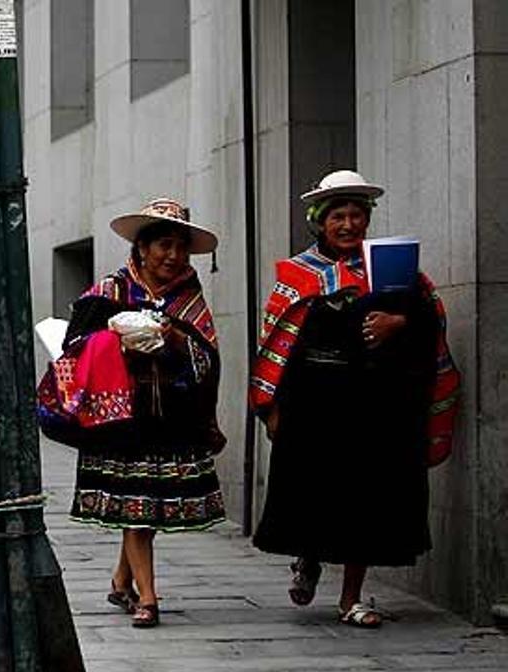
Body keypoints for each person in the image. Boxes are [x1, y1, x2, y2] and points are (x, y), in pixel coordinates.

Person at [250, 170, 460, 629]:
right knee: (314, 495)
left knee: (363, 502)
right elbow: (279, 344)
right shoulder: (297, 274)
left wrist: (399, 323)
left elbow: (430, 321)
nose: (348, 225)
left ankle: (351, 598)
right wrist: (272, 406)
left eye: (357, 215)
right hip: (314, 406)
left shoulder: (393, 270)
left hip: (373, 407)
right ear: (319, 222)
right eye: (338, 216)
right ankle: (308, 557)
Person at [62, 198, 227, 628]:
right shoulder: (108, 292)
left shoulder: (189, 300)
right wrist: (116, 341)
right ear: (141, 248)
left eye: (180, 247)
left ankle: (121, 579)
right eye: (163, 246)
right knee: (139, 507)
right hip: (120, 420)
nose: (173, 257)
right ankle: (149, 598)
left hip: (170, 420)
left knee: (144, 506)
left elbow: (207, 360)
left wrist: (174, 342)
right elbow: (74, 348)